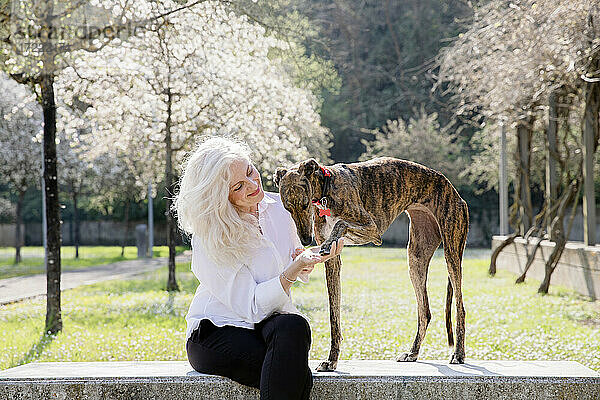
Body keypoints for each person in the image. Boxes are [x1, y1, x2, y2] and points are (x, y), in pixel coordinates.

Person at [173, 136, 344, 400]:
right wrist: (292, 270)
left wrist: (304, 264)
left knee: (294, 326)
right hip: (217, 332)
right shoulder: (210, 234)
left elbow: (288, 266)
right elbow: (252, 307)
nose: (253, 185)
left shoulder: (281, 209)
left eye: (251, 171)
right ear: (220, 197)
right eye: (239, 186)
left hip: (269, 325)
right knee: (294, 375)